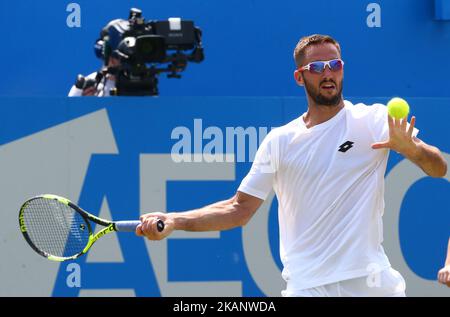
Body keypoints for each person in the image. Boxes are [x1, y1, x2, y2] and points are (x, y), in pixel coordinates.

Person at [136, 34, 448, 297]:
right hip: (307, 287)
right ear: (300, 76)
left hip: (371, 282)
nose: (328, 74)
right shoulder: (279, 141)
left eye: (335, 65)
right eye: (317, 68)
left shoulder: (374, 120)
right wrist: (175, 220)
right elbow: (237, 209)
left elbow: (438, 168)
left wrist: (412, 150)